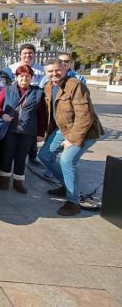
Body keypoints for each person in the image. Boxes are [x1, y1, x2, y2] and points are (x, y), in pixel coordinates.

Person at [38, 59, 104, 216]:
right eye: (50, 71)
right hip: (63, 129)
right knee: (44, 155)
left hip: (84, 131)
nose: (54, 74)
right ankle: (66, 185)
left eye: (57, 70)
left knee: (67, 160)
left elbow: (85, 117)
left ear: (64, 69)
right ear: (46, 73)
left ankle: (73, 201)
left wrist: (73, 139)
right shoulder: (48, 87)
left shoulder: (75, 86)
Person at [0, 65, 45, 193]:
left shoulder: (38, 92)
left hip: (28, 131)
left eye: (27, 76)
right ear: (16, 77)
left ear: (31, 78)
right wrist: (2, 114)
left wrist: (40, 133)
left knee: (21, 157)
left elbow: (42, 115)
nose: (24, 79)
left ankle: (18, 182)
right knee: (7, 155)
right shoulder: (7, 90)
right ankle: (4, 180)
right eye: (21, 76)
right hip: (10, 129)